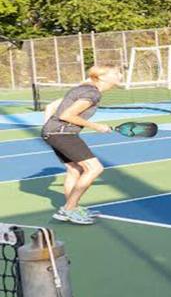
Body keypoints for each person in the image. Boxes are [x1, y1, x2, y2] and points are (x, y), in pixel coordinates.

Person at [41, 63, 124, 225]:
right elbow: (67, 115)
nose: (119, 76)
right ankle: (69, 209)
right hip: (62, 133)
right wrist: (97, 126)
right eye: (115, 73)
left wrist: (48, 129)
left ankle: (71, 208)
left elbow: (50, 106)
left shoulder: (83, 88)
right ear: (102, 77)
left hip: (53, 132)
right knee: (95, 168)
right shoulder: (92, 93)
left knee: (75, 169)